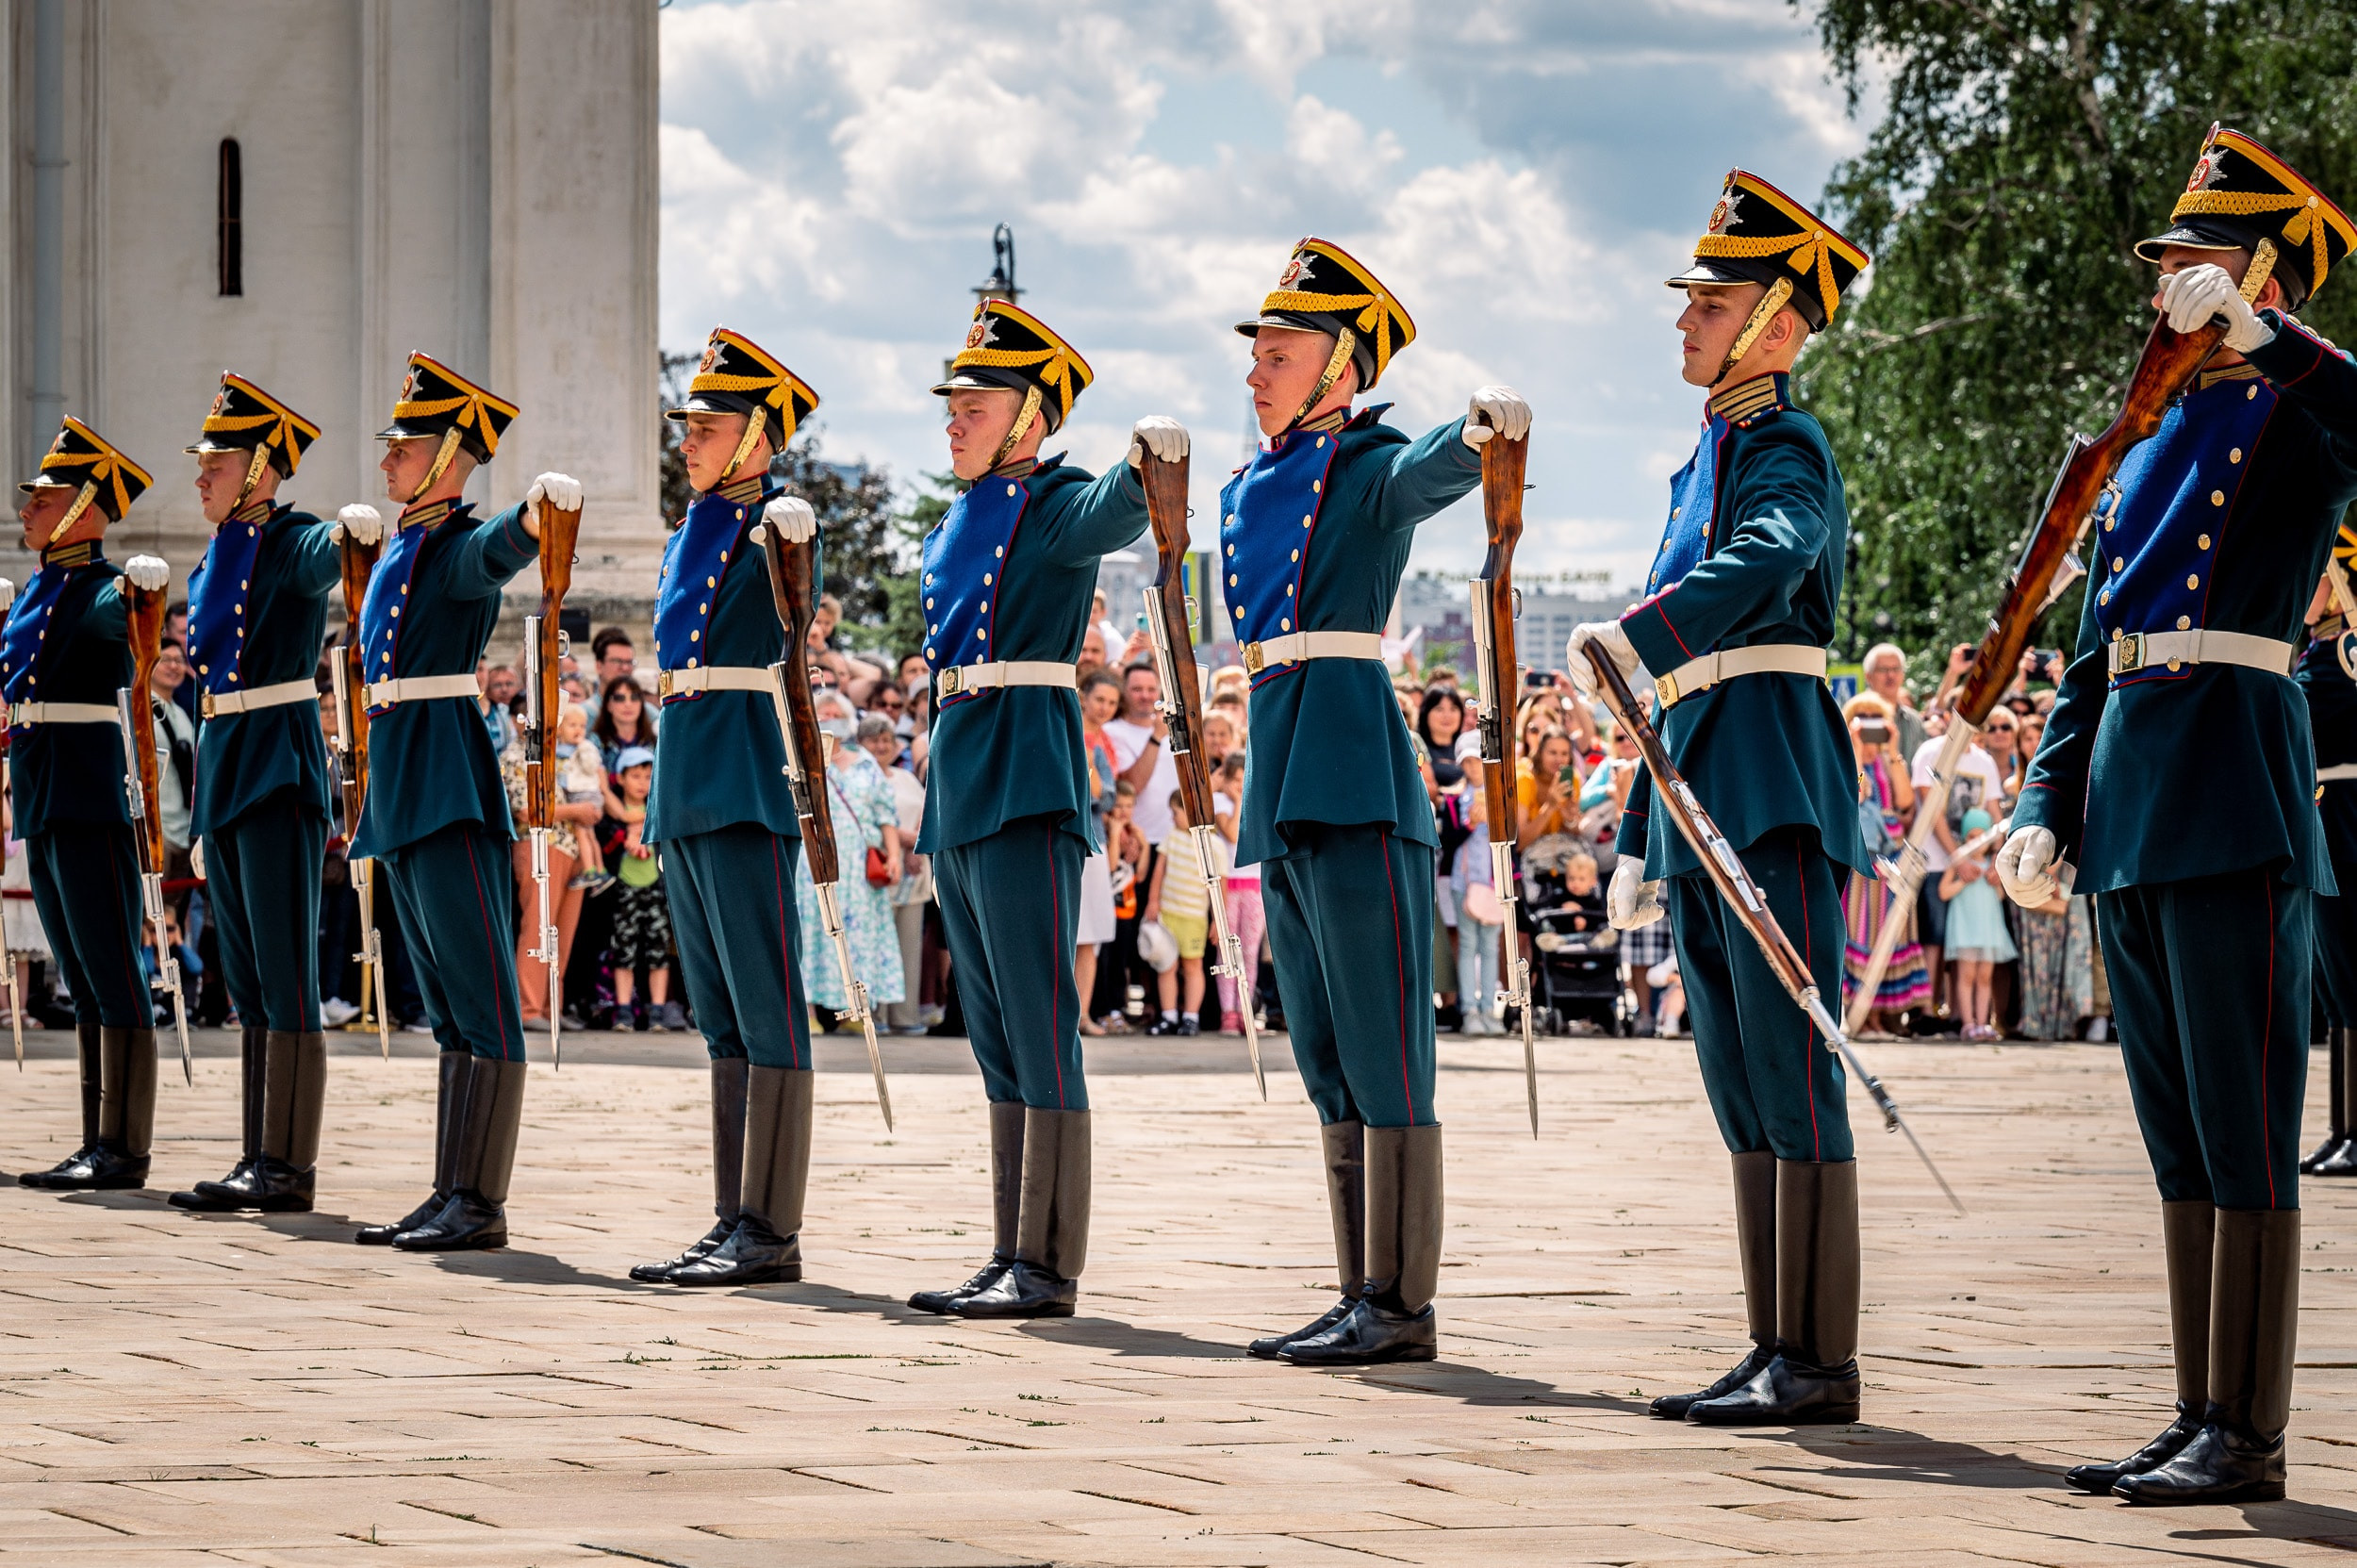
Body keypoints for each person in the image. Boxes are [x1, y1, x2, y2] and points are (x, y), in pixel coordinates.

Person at [2001, 127, 2357, 1505]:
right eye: (2169, 264)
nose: (2172, 284)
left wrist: (2274, 341)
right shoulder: (2143, 431)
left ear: (2265, 277)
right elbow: (2096, 642)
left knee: (2249, 1122)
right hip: (2136, 802)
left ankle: (2251, 1431)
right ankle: (2197, 1404)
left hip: (2234, 785)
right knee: (2179, 1130)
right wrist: (2047, 794)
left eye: (2202, 260)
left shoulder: (2295, 410)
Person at [1570, 170, 1872, 1423]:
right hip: (1702, 773)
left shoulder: (1782, 442)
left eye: (1715, 299)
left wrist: (1645, 632)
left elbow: (1776, 551)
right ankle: (1772, 1340)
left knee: (1792, 1065)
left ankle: (1820, 1356)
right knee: (1739, 1072)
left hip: (1770, 772)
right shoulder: (1706, 454)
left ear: (1782, 320)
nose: (1685, 320)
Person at [1223, 235, 1528, 1367]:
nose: (1257, 369)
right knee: (1329, 1054)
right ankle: (1359, 1286)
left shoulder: (1368, 466)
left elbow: (1428, 472)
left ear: (1341, 372)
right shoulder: (1249, 483)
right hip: (1287, 773)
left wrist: (1477, 425)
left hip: (1353, 773)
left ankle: (1400, 1302)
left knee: (1388, 1052)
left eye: (1282, 351)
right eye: (1255, 351)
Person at [907, 296, 1182, 1321]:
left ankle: (1049, 1261)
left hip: (1024, 773)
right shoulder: (961, 509)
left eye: (974, 404)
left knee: (1040, 1022)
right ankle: (1009, 1246)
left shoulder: (1055, 504)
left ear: (1028, 417)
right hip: (967, 775)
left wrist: (1148, 454)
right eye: (955, 402)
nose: (954, 419)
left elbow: (1123, 501)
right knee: (994, 1031)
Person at [345, 351, 581, 1253]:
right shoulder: (405, 543)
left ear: (448, 455)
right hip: (406, 785)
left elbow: (496, 556)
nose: (388, 461)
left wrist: (530, 514)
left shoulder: (449, 548)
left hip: (446, 784)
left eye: (404, 447)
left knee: (480, 1000)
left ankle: (479, 1200)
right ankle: (450, 1188)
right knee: (444, 1005)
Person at [624, 328, 825, 1284]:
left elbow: (785, 624)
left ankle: (770, 1227)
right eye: (689, 426)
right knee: (721, 1018)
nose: (688, 441)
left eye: (708, 428)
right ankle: (732, 1216)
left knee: (765, 1007)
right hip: (690, 780)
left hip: (745, 778)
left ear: (757, 438)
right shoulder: (692, 527)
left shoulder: (773, 525)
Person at [160, 376, 344, 1215]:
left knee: (284, 971)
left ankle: (288, 1165)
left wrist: (354, 530)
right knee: (247, 979)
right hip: (231, 768)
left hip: (276, 765)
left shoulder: (294, 538)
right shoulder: (216, 556)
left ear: (262, 469)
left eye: (216, 464)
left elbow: (330, 556)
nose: (200, 478)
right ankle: (256, 1155)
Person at [6, 420, 169, 1193]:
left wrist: (140, 592)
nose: (26, 510)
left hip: (88, 792)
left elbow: (135, 628)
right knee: (77, 967)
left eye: (42, 498)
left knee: (111, 967)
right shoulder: (41, 584)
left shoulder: (104, 589)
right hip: (43, 788)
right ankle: (94, 1139)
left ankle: (124, 1146)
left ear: (85, 508)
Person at [799, 690, 904, 1021]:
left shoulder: (865, 764)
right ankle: (809, 1013)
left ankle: (859, 1014)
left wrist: (895, 855)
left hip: (859, 867)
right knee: (812, 930)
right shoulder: (804, 759)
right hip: (812, 860)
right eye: (824, 713)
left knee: (859, 936)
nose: (830, 718)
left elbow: (885, 813)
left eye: (835, 712)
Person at [2302, 569, 2357, 1176]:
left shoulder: (2344, 650)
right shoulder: (2320, 648)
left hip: (2346, 818)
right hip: (2329, 817)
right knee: (2339, 985)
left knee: (2350, 979)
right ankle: (2344, 1127)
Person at [1840, 693, 1929, 1032]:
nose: (1868, 722)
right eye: (1861, 715)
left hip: (1890, 855)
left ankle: (1878, 1015)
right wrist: (1854, 747)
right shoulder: (1846, 758)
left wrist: (1892, 751)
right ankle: (1856, 1015)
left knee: (1885, 934)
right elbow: (1857, 794)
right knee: (1859, 930)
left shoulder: (1889, 759)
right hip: (1860, 854)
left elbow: (1906, 803)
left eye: (1876, 716)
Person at [864, 714, 931, 1034]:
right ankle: (875, 1016)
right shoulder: (858, 777)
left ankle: (905, 1017)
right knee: (877, 945)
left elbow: (924, 810)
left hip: (912, 873)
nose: (881, 746)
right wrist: (907, 843)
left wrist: (916, 847)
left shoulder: (905, 777)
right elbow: (869, 821)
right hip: (876, 871)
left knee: (908, 947)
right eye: (874, 740)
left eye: (887, 740)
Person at [1073, 668, 1123, 1035]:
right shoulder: (1057, 733)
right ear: (1082, 697)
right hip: (1058, 842)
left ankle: (1083, 1014)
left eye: (1111, 702)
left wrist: (1088, 754)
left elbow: (1102, 797)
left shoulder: (1099, 748)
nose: (1104, 708)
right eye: (1099, 699)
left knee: (1089, 935)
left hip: (1091, 844)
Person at [1938, 808, 2014, 1040]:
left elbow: (2000, 897)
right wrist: (1963, 880)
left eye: (1982, 837)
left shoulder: (1994, 865)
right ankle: (1968, 1023)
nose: (1977, 843)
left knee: (1984, 978)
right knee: (1966, 976)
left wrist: (1996, 882)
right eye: (1971, 837)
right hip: (1965, 928)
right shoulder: (1960, 862)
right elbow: (1943, 892)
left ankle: (1983, 1023)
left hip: (1988, 929)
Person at [1141, 785, 1211, 1034]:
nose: (1172, 818)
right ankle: (1169, 1016)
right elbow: (1159, 870)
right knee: (1166, 965)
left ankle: (1191, 1016)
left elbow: (1218, 884)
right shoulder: (1171, 837)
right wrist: (1153, 901)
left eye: (1176, 812)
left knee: (1193, 966)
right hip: (1168, 913)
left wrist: (1216, 922)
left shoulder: (1212, 844)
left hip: (1194, 918)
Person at [1211, 751, 1261, 1033]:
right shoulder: (1221, 804)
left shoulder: (1258, 805)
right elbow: (1231, 833)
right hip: (1229, 886)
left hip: (1254, 885)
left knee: (1249, 952)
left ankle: (1245, 1011)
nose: (1241, 785)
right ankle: (1228, 1011)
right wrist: (1239, 800)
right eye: (1236, 780)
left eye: (1246, 779)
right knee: (1227, 951)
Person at [1861, 643, 1928, 760]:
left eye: (1896, 669)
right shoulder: (1856, 718)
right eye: (1883, 670)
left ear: (1903, 675)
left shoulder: (1915, 721)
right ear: (1868, 676)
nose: (1891, 675)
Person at [593, 672, 654, 767]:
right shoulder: (594, 744)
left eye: (635, 698)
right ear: (608, 705)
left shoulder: (656, 742)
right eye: (619, 698)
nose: (628, 704)